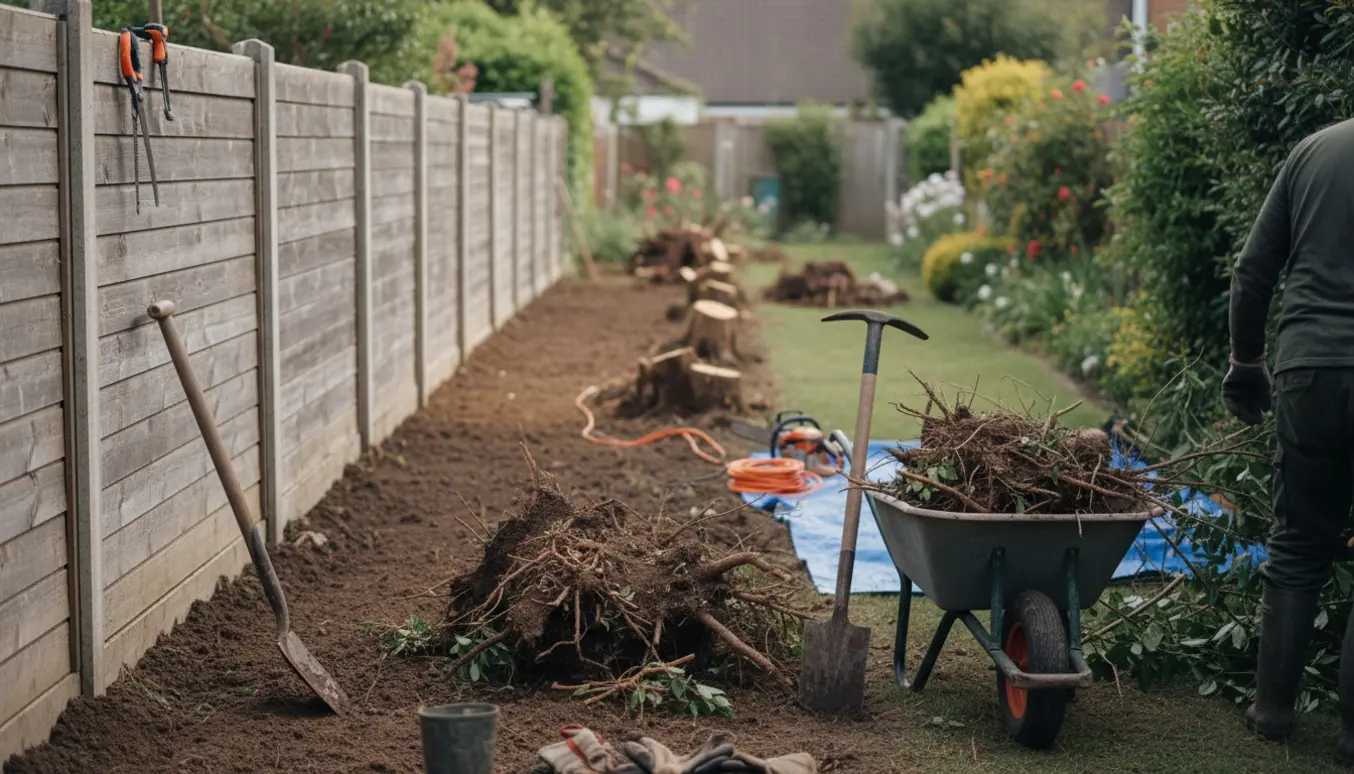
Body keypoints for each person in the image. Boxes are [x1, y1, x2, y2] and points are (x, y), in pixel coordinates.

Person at [1224, 116, 1354, 763]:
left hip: (1311, 370)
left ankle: (1272, 711)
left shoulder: (1314, 149)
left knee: (1300, 542)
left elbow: (1253, 270)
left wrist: (1247, 362)